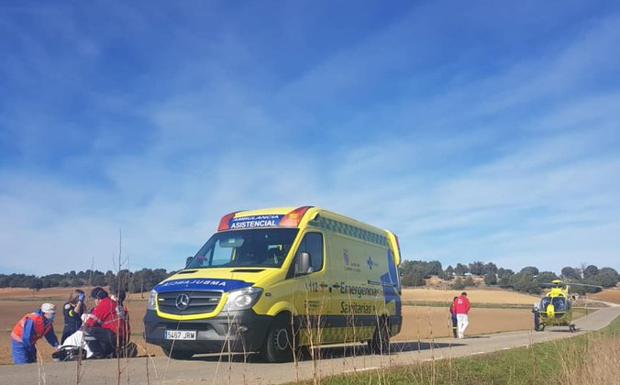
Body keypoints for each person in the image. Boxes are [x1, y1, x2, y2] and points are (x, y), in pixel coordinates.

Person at [83, 287, 127, 358]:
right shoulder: (114, 303)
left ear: (97, 299)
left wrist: (82, 328)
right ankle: (110, 353)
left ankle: (99, 355)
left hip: (115, 337)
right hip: (123, 336)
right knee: (100, 333)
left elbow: (90, 322)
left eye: (94, 299)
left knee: (87, 331)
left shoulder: (104, 304)